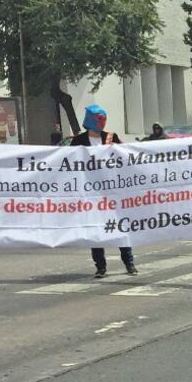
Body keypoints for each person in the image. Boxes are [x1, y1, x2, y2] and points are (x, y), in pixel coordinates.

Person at [71, 105, 136, 278]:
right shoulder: (78, 141)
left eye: (103, 119)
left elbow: (125, 156)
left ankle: (129, 263)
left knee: (120, 227)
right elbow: (68, 164)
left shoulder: (110, 137)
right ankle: (100, 267)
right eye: (99, 119)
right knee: (96, 231)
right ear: (90, 120)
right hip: (91, 193)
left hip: (113, 190)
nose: (102, 123)